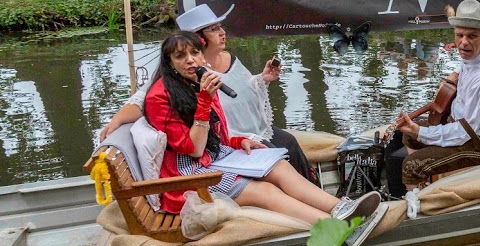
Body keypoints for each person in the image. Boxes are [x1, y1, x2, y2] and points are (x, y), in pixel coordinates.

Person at [144, 31, 380, 223]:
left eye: (195, 52)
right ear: (169, 63)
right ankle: (335, 228)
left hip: (216, 157)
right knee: (266, 191)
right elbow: (194, 149)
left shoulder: (200, 81)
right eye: (180, 56)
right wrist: (205, 100)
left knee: (279, 166)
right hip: (187, 175)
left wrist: (239, 141)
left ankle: (343, 208)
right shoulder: (159, 97)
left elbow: (217, 135)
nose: (190, 60)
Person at [100, 5, 316, 183]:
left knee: (289, 141)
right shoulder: (185, 71)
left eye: (220, 27)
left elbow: (245, 88)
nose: (222, 32)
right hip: (227, 136)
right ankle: (298, 198)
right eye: (213, 29)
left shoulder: (228, 57)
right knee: (273, 155)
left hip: (252, 127)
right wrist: (116, 120)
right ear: (199, 38)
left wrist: (263, 78)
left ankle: (313, 188)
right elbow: (141, 100)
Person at [394, 0, 480, 188]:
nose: (463, 42)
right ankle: (425, 186)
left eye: (471, 36)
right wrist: (455, 75)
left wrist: (421, 132)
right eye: (459, 35)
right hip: (463, 123)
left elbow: (464, 133)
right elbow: (467, 66)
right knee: (408, 136)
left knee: (412, 166)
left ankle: (417, 200)